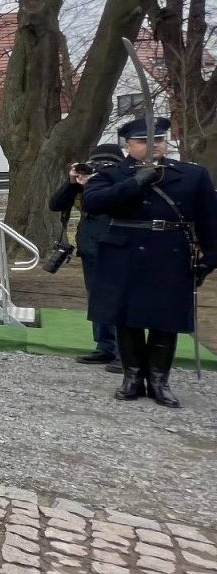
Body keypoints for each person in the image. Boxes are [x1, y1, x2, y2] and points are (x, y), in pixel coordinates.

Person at [82, 117, 217, 409]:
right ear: (128, 145)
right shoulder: (112, 174)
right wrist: (134, 183)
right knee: (126, 317)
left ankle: (159, 380)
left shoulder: (192, 174)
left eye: (158, 139)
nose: (153, 145)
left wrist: (211, 255)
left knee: (164, 319)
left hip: (169, 251)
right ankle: (132, 377)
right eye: (144, 141)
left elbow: (209, 218)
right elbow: (93, 203)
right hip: (124, 250)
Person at [50, 143, 123, 369]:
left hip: (119, 246)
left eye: (108, 164)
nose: (101, 168)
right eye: (97, 164)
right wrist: (72, 183)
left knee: (120, 300)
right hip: (91, 247)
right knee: (97, 298)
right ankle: (105, 347)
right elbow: (56, 205)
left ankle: (125, 352)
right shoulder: (86, 183)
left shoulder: (125, 182)